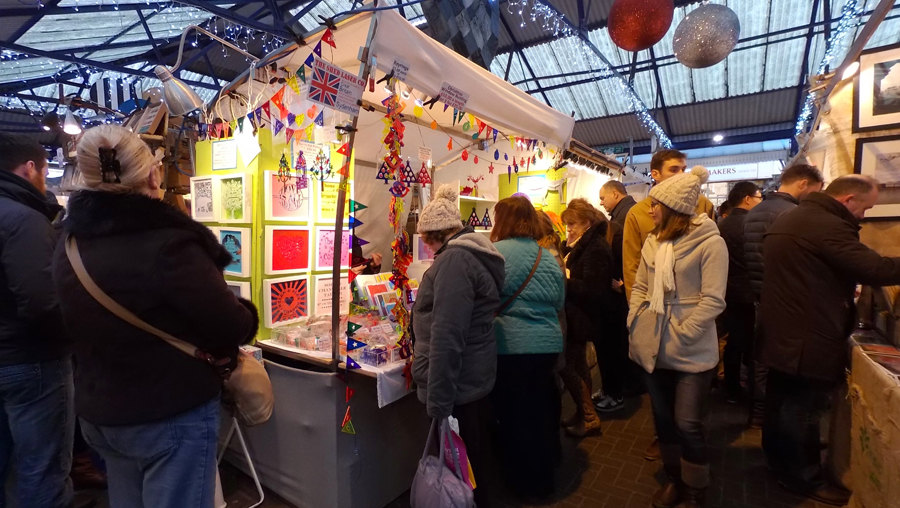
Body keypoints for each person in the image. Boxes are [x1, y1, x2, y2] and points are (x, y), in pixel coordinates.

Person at [53, 125, 259, 508]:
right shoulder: (169, 244)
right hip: (168, 412)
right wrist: (246, 314)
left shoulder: (69, 243)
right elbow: (231, 324)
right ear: (153, 174)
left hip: (101, 410)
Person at [758, 175, 900, 506]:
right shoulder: (825, 225)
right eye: (865, 208)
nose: (864, 216)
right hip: (808, 332)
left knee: (781, 402)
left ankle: (778, 462)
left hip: (782, 329)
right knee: (802, 409)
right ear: (848, 199)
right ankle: (803, 478)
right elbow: (874, 269)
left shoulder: (792, 217)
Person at [628, 166, 726, 508]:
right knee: (664, 421)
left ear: (673, 208)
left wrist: (686, 330)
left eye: (656, 204)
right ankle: (674, 480)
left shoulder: (710, 242)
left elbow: (714, 298)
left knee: (688, 424)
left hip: (691, 347)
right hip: (653, 343)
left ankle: (696, 490)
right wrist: (634, 319)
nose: (650, 209)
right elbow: (641, 285)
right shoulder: (654, 242)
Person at [412, 184, 505, 508]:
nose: (422, 241)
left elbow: (448, 335)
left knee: (459, 464)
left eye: (424, 234)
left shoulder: (454, 262)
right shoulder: (471, 255)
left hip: (458, 383)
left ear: (436, 233)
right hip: (471, 375)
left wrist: (438, 402)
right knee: (471, 458)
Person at [0, 133, 73, 508]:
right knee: (41, 468)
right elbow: (43, 302)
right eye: (46, 171)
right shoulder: (23, 219)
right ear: (31, 169)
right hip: (31, 361)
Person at [490, 196, 565, 500]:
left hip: (509, 345)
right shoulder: (546, 256)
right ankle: (545, 477)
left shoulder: (494, 254)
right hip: (546, 344)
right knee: (540, 411)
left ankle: (521, 482)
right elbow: (559, 302)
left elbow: (486, 299)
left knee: (513, 414)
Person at [743, 164, 824, 427]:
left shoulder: (755, 212)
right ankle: (773, 417)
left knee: (760, 357)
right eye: (814, 190)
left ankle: (757, 411)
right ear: (802, 183)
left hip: (756, 293)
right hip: (782, 296)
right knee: (779, 362)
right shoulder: (792, 213)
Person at [559, 199, 613, 436]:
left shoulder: (596, 247)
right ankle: (583, 413)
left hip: (582, 317)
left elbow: (594, 290)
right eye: (567, 225)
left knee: (567, 366)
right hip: (577, 316)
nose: (569, 229)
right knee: (578, 364)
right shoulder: (583, 244)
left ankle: (589, 416)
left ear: (587, 223)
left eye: (573, 224)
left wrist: (564, 282)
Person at [717, 182, 762, 404]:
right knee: (750, 345)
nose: (759, 201)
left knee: (732, 341)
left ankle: (731, 386)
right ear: (747, 198)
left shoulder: (721, 225)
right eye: (758, 197)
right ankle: (748, 390)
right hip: (748, 293)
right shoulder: (751, 224)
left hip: (726, 292)